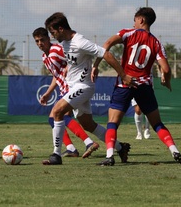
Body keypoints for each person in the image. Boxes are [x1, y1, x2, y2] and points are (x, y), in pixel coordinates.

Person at [92, 7, 181, 166]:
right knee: (157, 124)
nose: (133, 24)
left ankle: (110, 156)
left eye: (135, 20)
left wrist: (95, 65)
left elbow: (108, 43)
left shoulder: (128, 33)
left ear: (141, 20)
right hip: (144, 85)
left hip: (124, 83)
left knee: (112, 122)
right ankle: (175, 152)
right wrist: (167, 80)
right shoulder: (156, 42)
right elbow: (165, 69)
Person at [42, 12, 132, 165]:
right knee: (88, 124)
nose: (52, 36)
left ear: (61, 28)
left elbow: (106, 54)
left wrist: (123, 75)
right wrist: (68, 69)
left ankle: (56, 155)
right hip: (73, 87)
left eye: (53, 32)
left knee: (57, 111)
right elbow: (75, 60)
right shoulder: (65, 43)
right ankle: (120, 147)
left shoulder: (80, 42)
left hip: (83, 87)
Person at [33, 27, 99, 158]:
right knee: (56, 119)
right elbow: (56, 76)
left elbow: (75, 59)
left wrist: (69, 68)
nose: (40, 43)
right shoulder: (44, 57)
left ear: (49, 38)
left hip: (73, 86)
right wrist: (48, 93)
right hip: (64, 88)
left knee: (60, 116)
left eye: (42, 40)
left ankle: (87, 143)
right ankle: (72, 148)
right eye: (37, 41)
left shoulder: (57, 50)